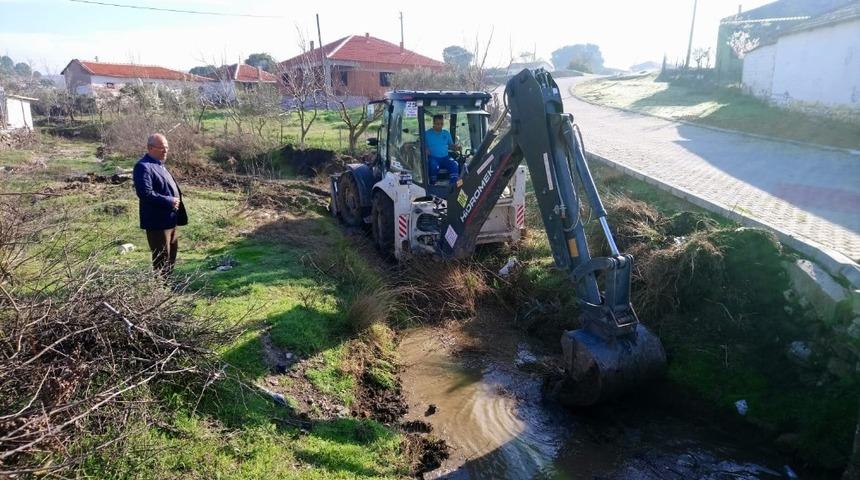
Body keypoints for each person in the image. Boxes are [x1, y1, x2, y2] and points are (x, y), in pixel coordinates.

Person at [132, 133, 187, 279]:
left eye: (167, 147)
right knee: (161, 258)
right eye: (162, 148)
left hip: (171, 221)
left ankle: (167, 284)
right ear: (150, 148)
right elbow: (145, 193)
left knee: (171, 255)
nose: (165, 151)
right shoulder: (143, 166)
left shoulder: (160, 165)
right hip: (157, 223)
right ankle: (159, 289)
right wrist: (169, 201)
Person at [424, 114, 461, 184]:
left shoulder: (446, 133)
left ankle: (453, 185)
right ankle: (433, 183)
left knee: (454, 164)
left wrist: (456, 148)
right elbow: (420, 145)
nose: (440, 126)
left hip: (445, 158)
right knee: (433, 165)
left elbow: (450, 146)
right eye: (438, 124)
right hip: (433, 158)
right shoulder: (427, 134)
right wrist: (425, 149)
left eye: (441, 124)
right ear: (433, 123)